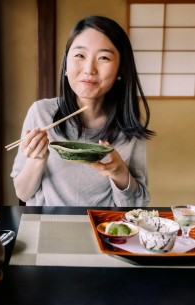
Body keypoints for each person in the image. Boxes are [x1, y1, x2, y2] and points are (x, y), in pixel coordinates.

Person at [10, 15, 155, 207]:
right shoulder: (41, 113)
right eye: (79, 55)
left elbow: (136, 207)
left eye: (103, 57)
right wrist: (37, 160)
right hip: (47, 227)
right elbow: (23, 192)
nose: (89, 69)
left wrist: (119, 172)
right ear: (66, 66)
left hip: (103, 228)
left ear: (120, 70)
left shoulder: (128, 125)